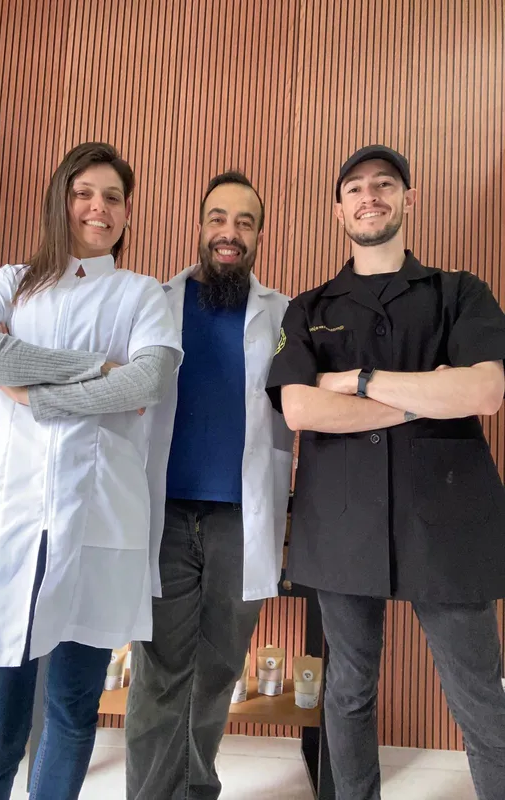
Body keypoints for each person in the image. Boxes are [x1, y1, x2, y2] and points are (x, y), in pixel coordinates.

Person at [266, 144, 505, 800]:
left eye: (384, 185)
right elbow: (300, 407)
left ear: (409, 198)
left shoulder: (460, 292)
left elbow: (483, 392)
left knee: (481, 701)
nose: (369, 196)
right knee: (347, 693)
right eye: (355, 189)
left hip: (448, 520)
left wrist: (362, 383)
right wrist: (424, 393)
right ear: (337, 208)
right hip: (340, 522)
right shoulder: (308, 307)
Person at [0, 142, 183, 800]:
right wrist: (96, 370)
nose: (97, 207)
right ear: (61, 200)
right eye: (84, 193)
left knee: (73, 717)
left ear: (127, 212)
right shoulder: (12, 282)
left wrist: (39, 392)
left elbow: (152, 378)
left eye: (111, 197)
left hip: (99, 520)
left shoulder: (140, 295)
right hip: (11, 520)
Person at [124, 171, 294, 800]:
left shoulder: (282, 314)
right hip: (165, 514)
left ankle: (197, 788)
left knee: (218, 669)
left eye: (244, 222)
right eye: (218, 219)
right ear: (200, 228)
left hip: (241, 519)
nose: (230, 233)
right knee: (160, 672)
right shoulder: (154, 302)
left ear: (258, 234)